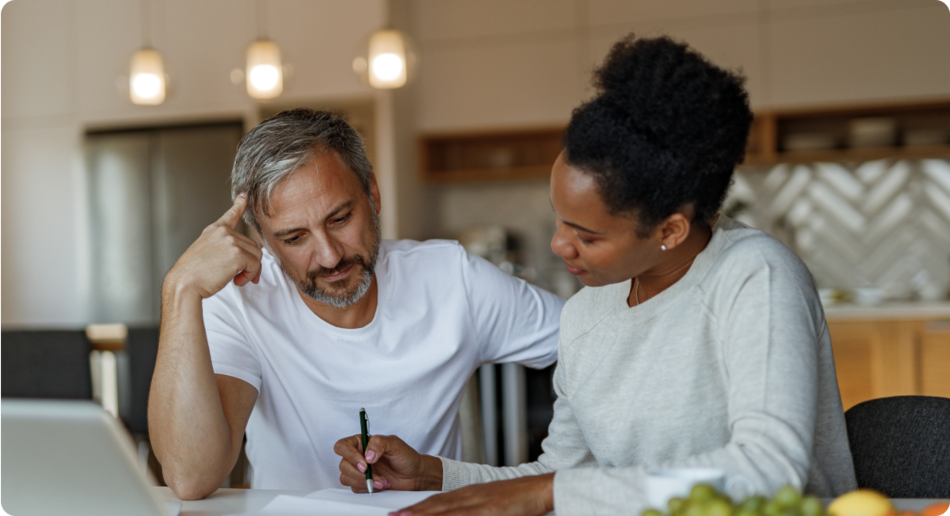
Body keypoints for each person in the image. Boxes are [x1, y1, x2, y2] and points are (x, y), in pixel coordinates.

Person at [334, 35, 858, 515]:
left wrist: (550, 491)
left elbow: (769, 471)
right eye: (559, 219)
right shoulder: (588, 312)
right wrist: (433, 473)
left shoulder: (754, 277)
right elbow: (561, 476)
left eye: (588, 235)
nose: (561, 244)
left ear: (669, 230)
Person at [148, 109, 565, 500]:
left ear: (373, 194)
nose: (329, 256)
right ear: (262, 241)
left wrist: (579, 454)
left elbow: (597, 338)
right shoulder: (241, 300)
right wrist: (180, 288)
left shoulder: (452, 280)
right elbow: (191, 476)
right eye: (295, 238)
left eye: (340, 219)